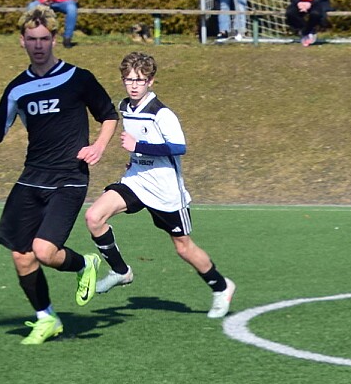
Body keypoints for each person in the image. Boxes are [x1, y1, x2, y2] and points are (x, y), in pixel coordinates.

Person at [0, 5, 118, 345]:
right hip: (32, 177)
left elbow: (108, 115)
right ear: (22, 41)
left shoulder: (78, 78)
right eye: (32, 39)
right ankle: (46, 318)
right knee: (21, 255)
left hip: (69, 177)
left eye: (44, 39)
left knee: (44, 251)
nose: (39, 45)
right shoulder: (18, 88)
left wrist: (99, 146)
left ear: (54, 40)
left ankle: (85, 264)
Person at [81, 52, 236, 318]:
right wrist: (134, 158)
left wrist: (138, 146)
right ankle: (120, 271)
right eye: (129, 79)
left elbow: (178, 147)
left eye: (139, 80)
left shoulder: (161, 113)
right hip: (136, 180)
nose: (133, 85)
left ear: (150, 81)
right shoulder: (125, 106)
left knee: (183, 247)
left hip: (165, 190)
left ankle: (221, 287)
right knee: (94, 217)